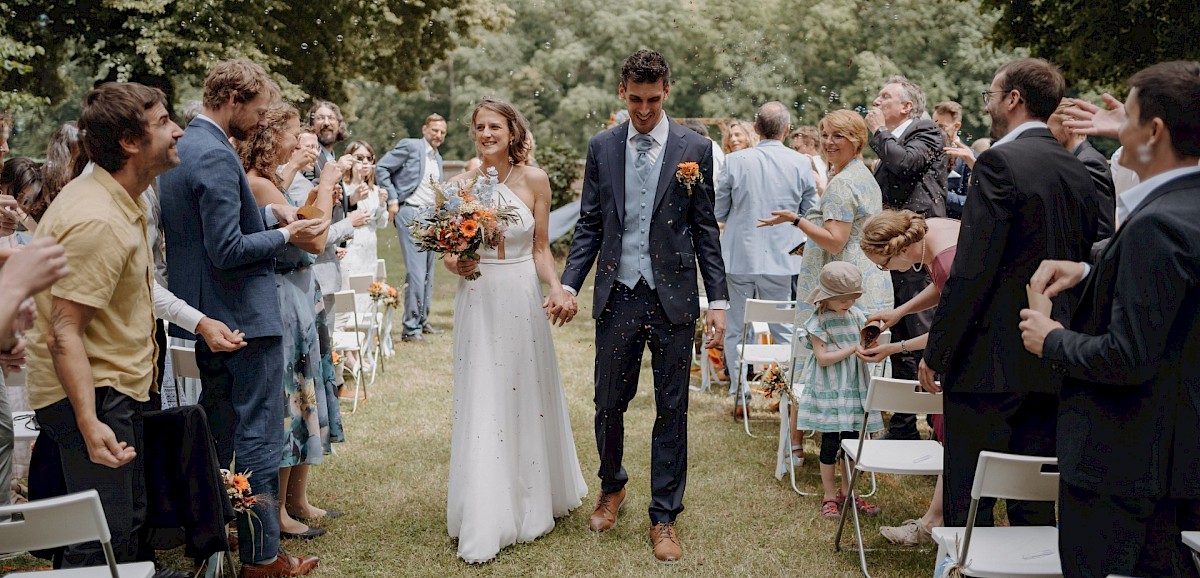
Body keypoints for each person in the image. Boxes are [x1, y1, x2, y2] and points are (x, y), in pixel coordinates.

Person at [1020, 61, 1200, 578]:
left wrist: (1052, 340)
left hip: (1127, 466)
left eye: (1130, 118)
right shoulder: (1183, 209)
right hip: (1176, 460)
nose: (1120, 130)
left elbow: (1128, 356)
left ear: (1155, 131)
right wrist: (1089, 265)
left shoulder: (1159, 223)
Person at [555, 49, 728, 563]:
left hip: (672, 297)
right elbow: (589, 223)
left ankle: (664, 516)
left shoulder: (695, 146)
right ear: (621, 92)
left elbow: (704, 230)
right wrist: (568, 284)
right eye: (636, 99)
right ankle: (613, 485)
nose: (645, 110)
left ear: (667, 91)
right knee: (609, 401)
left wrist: (717, 299)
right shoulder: (602, 146)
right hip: (618, 293)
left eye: (653, 99)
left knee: (672, 408)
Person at [159, 59, 325, 578]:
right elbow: (227, 249)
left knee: (221, 435)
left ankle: (221, 542)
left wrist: (270, 215)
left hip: (207, 314)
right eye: (256, 108)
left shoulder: (185, 146)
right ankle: (262, 557)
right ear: (233, 99)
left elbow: (211, 232)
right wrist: (285, 235)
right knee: (256, 436)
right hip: (242, 318)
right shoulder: (213, 153)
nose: (259, 120)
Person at [922, 57, 1098, 530]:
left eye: (991, 95)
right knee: (1033, 498)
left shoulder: (999, 161)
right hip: (1054, 353)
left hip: (988, 359)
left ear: (1014, 99)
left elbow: (973, 269)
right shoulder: (1078, 167)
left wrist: (937, 352)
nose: (989, 104)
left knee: (969, 497)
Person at [23, 81, 187, 574]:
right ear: (130, 143)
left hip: (111, 386)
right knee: (101, 539)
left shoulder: (119, 197)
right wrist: (91, 423)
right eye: (163, 123)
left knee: (124, 525)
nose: (178, 130)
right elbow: (63, 331)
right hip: (92, 391)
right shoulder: (97, 218)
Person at [440, 98, 587, 564]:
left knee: (523, 392)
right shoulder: (460, 186)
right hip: (479, 296)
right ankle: (487, 509)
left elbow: (542, 248)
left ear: (512, 130)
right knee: (484, 393)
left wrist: (559, 288)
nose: (486, 134)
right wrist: (457, 263)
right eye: (480, 127)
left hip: (522, 293)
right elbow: (448, 254)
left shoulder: (534, 180)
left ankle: (532, 496)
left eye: (495, 127)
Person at [237, 104, 341, 541]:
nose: (301, 143)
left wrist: (317, 192)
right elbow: (314, 238)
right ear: (270, 138)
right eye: (294, 134)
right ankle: (277, 511)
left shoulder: (272, 182)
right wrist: (329, 185)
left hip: (301, 296)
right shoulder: (259, 185)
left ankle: (296, 499)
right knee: (291, 403)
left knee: (307, 396)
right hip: (283, 298)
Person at [857, 209, 961, 545]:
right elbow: (940, 289)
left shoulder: (946, 259)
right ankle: (935, 519)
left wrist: (897, 348)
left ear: (901, 250)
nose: (885, 272)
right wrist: (898, 313)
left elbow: (955, 327)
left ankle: (937, 523)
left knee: (959, 437)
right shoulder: (932, 233)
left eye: (882, 266)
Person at [715, 101, 817, 423]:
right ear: (787, 130)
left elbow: (718, 210)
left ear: (756, 129)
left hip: (739, 256)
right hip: (783, 259)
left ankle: (738, 394)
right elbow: (810, 213)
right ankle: (787, 395)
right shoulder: (801, 163)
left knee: (736, 329)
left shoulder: (734, 161)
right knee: (783, 328)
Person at [866, 75, 947, 442]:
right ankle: (903, 426)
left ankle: (935, 421)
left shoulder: (927, 132)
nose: (877, 101)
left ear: (907, 107)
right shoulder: (893, 139)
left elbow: (905, 165)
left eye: (886, 97)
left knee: (922, 331)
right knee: (899, 332)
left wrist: (879, 132)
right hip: (898, 250)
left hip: (920, 247)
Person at [795, 261, 883, 519]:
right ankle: (829, 495)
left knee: (852, 443)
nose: (848, 303)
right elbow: (823, 358)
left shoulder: (856, 315)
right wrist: (853, 349)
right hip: (831, 387)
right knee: (830, 444)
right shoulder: (818, 321)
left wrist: (870, 343)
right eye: (842, 299)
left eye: (852, 298)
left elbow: (864, 342)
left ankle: (849, 492)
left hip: (854, 386)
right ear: (827, 297)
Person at [376, 113, 448, 343]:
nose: (438, 135)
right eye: (435, 130)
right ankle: (410, 328)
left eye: (443, 132)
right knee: (416, 273)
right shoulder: (411, 146)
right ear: (425, 128)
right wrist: (393, 200)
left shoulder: (438, 158)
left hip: (431, 216)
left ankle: (422, 321)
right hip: (411, 211)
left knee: (428, 272)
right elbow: (382, 169)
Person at [1048, 98, 1117, 242]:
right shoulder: (1074, 161)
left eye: (1049, 130)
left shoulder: (1089, 163)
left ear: (1070, 126)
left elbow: (1103, 230)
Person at [932, 101, 972, 220]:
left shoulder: (971, 157)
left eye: (942, 127)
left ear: (957, 126)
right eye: (933, 126)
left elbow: (971, 201)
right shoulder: (926, 152)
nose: (935, 131)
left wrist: (939, 194)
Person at [788, 125, 827, 194]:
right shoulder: (826, 162)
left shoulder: (807, 162)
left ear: (811, 144)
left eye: (797, 148)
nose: (794, 152)